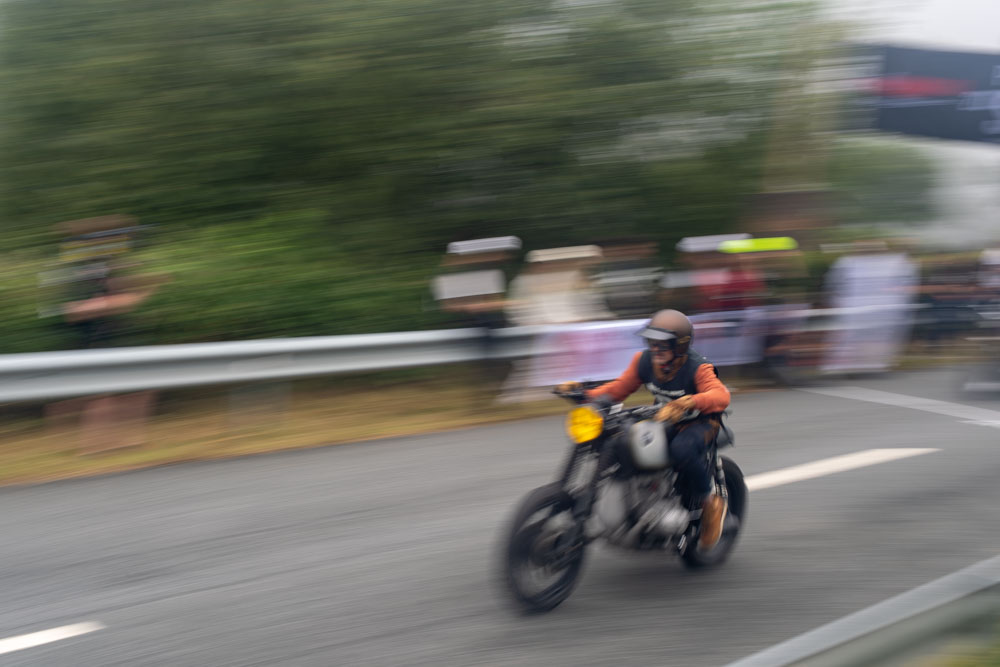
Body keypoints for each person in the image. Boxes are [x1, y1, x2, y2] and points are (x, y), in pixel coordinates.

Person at [556, 309, 731, 550]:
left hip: (700, 423)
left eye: (663, 344)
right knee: (623, 440)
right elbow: (618, 389)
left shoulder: (697, 368)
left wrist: (688, 402)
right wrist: (583, 393)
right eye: (652, 342)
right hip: (666, 418)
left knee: (681, 450)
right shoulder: (644, 361)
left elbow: (721, 395)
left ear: (680, 346)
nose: (656, 349)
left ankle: (709, 502)